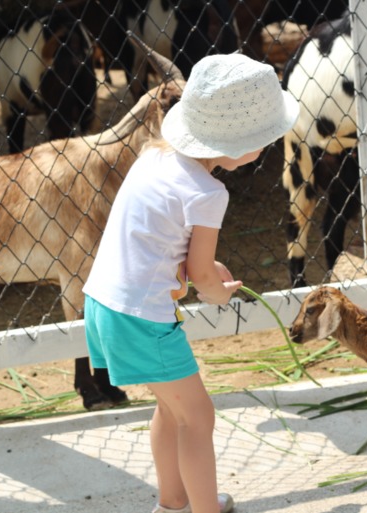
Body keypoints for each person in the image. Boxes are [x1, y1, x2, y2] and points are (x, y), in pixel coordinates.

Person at [82, 53, 300, 513]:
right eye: (263, 139)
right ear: (236, 143)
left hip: (104, 304)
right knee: (199, 417)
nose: (266, 148)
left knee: (172, 409)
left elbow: (158, 241)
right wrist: (218, 290)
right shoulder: (208, 193)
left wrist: (205, 268)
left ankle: (173, 502)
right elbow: (201, 277)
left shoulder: (154, 156)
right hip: (141, 318)